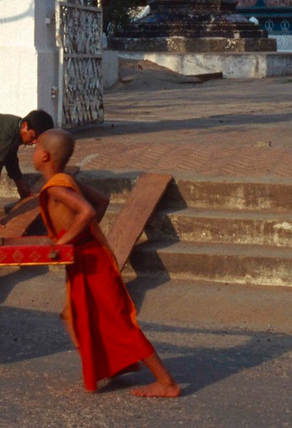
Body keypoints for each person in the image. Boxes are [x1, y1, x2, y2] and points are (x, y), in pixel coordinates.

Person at [32, 128, 180, 397]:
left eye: (34, 149)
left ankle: (166, 383)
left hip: (91, 261)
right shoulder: (65, 180)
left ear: (44, 155)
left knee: (118, 321)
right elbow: (101, 201)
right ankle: (108, 366)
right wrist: (79, 235)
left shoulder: (56, 187)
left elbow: (87, 211)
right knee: (73, 315)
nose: (32, 154)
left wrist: (63, 242)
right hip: (85, 257)